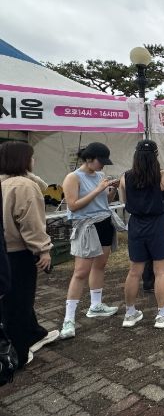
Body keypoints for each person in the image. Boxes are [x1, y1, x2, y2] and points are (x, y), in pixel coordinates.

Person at [0, 142, 58, 366]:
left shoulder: (6, 182)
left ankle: (34, 333)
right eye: (31, 158)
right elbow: (30, 223)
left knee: (11, 299)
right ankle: (18, 354)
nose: (34, 161)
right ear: (23, 160)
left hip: (4, 250)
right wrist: (43, 249)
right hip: (18, 251)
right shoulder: (24, 186)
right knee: (20, 301)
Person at [60, 142, 124, 340]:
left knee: (100, 265)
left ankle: (96, 305)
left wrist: (110, 190)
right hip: (86, 226)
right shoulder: (73, 177)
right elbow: (73, 205)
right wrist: (98, 189)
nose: (102, 165)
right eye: (100, 161)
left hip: (104, 222)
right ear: (89, 159)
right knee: (80, 272)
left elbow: (104, 202)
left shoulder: (99, 176)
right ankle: (68, 319)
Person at [120, 140, 164, 329]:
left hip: (137, 225)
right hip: (159, 224)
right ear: (155, 155)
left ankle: (130, 313)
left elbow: (124, 201)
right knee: (160, 271)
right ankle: (162, 314)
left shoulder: (125, 177)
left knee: (134, 271)